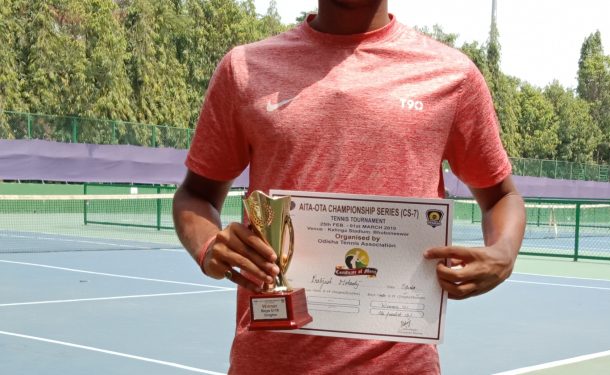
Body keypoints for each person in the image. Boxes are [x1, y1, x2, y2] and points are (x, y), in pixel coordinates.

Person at [172, 0, 526, 373]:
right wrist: (209, 246)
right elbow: (195, 194)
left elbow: (502, 196)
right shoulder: (243, 69)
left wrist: (504, 253)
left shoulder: (453, 76)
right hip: (269, 361)